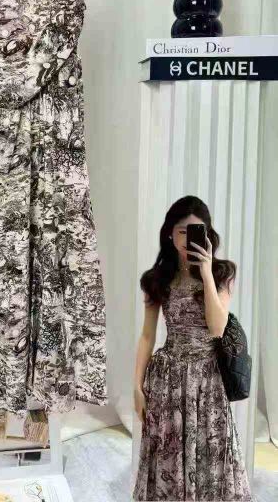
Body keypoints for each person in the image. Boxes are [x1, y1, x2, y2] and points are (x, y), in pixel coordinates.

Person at [132, 195, 252, 501]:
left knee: (210, 450)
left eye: (196, 231)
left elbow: (217, 328)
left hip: (208, 381)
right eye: (182, 231)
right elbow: (147, 335)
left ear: (207, 234)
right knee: (168, 450)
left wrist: (207, 273)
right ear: (170, 234)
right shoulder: (157, 279)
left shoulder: (223, 273)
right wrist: (136, 386)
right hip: (167, 380)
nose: (188, 239)